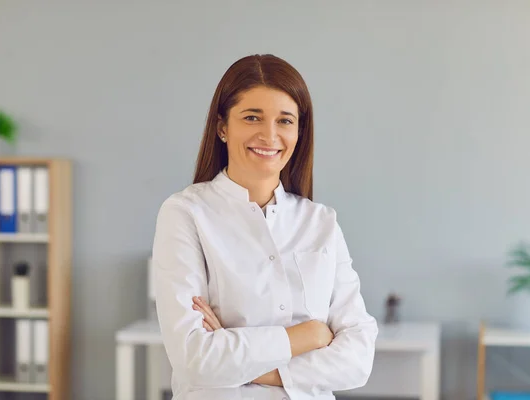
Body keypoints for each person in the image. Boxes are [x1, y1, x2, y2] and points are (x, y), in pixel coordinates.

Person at [152, 54, 378, 400]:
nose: (269, 135)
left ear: (300, 132)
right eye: (252, 117)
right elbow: (194, 358)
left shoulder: (321, 222)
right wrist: (309, 336)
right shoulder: (185, 214)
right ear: (222, 127)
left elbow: (358, 359)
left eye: (285, 120)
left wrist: (249, 363)